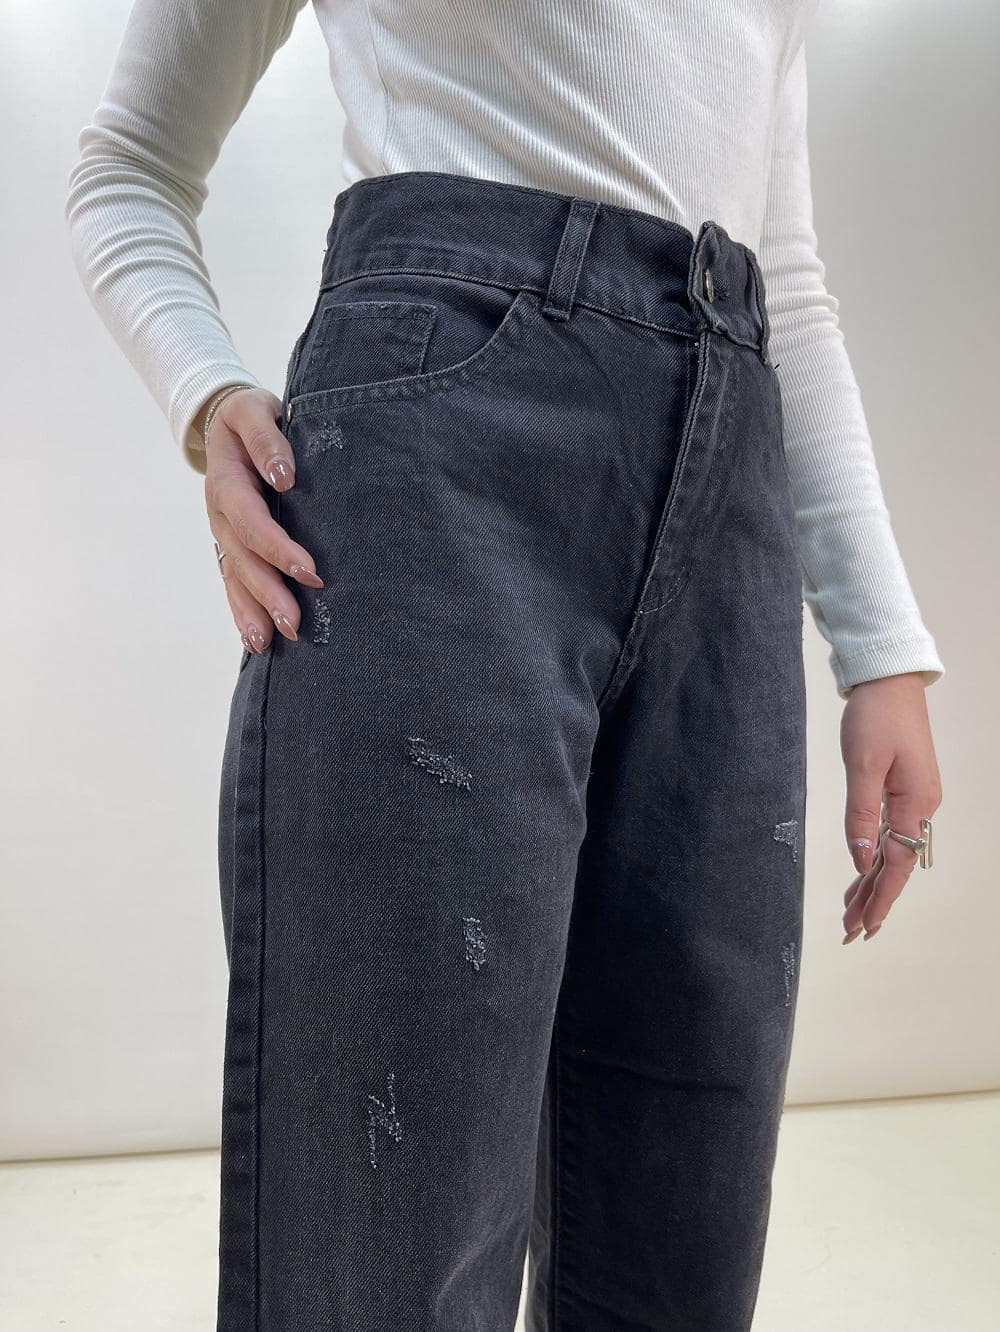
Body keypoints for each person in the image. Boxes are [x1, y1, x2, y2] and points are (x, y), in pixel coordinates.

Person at [64, 1, 945, 1327]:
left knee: (685, 1192)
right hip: (443, 460)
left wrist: (883, 652)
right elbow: (128, 163)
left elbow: (791, 279)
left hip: (732, 474)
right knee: (390, 1213)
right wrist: (208, 393)